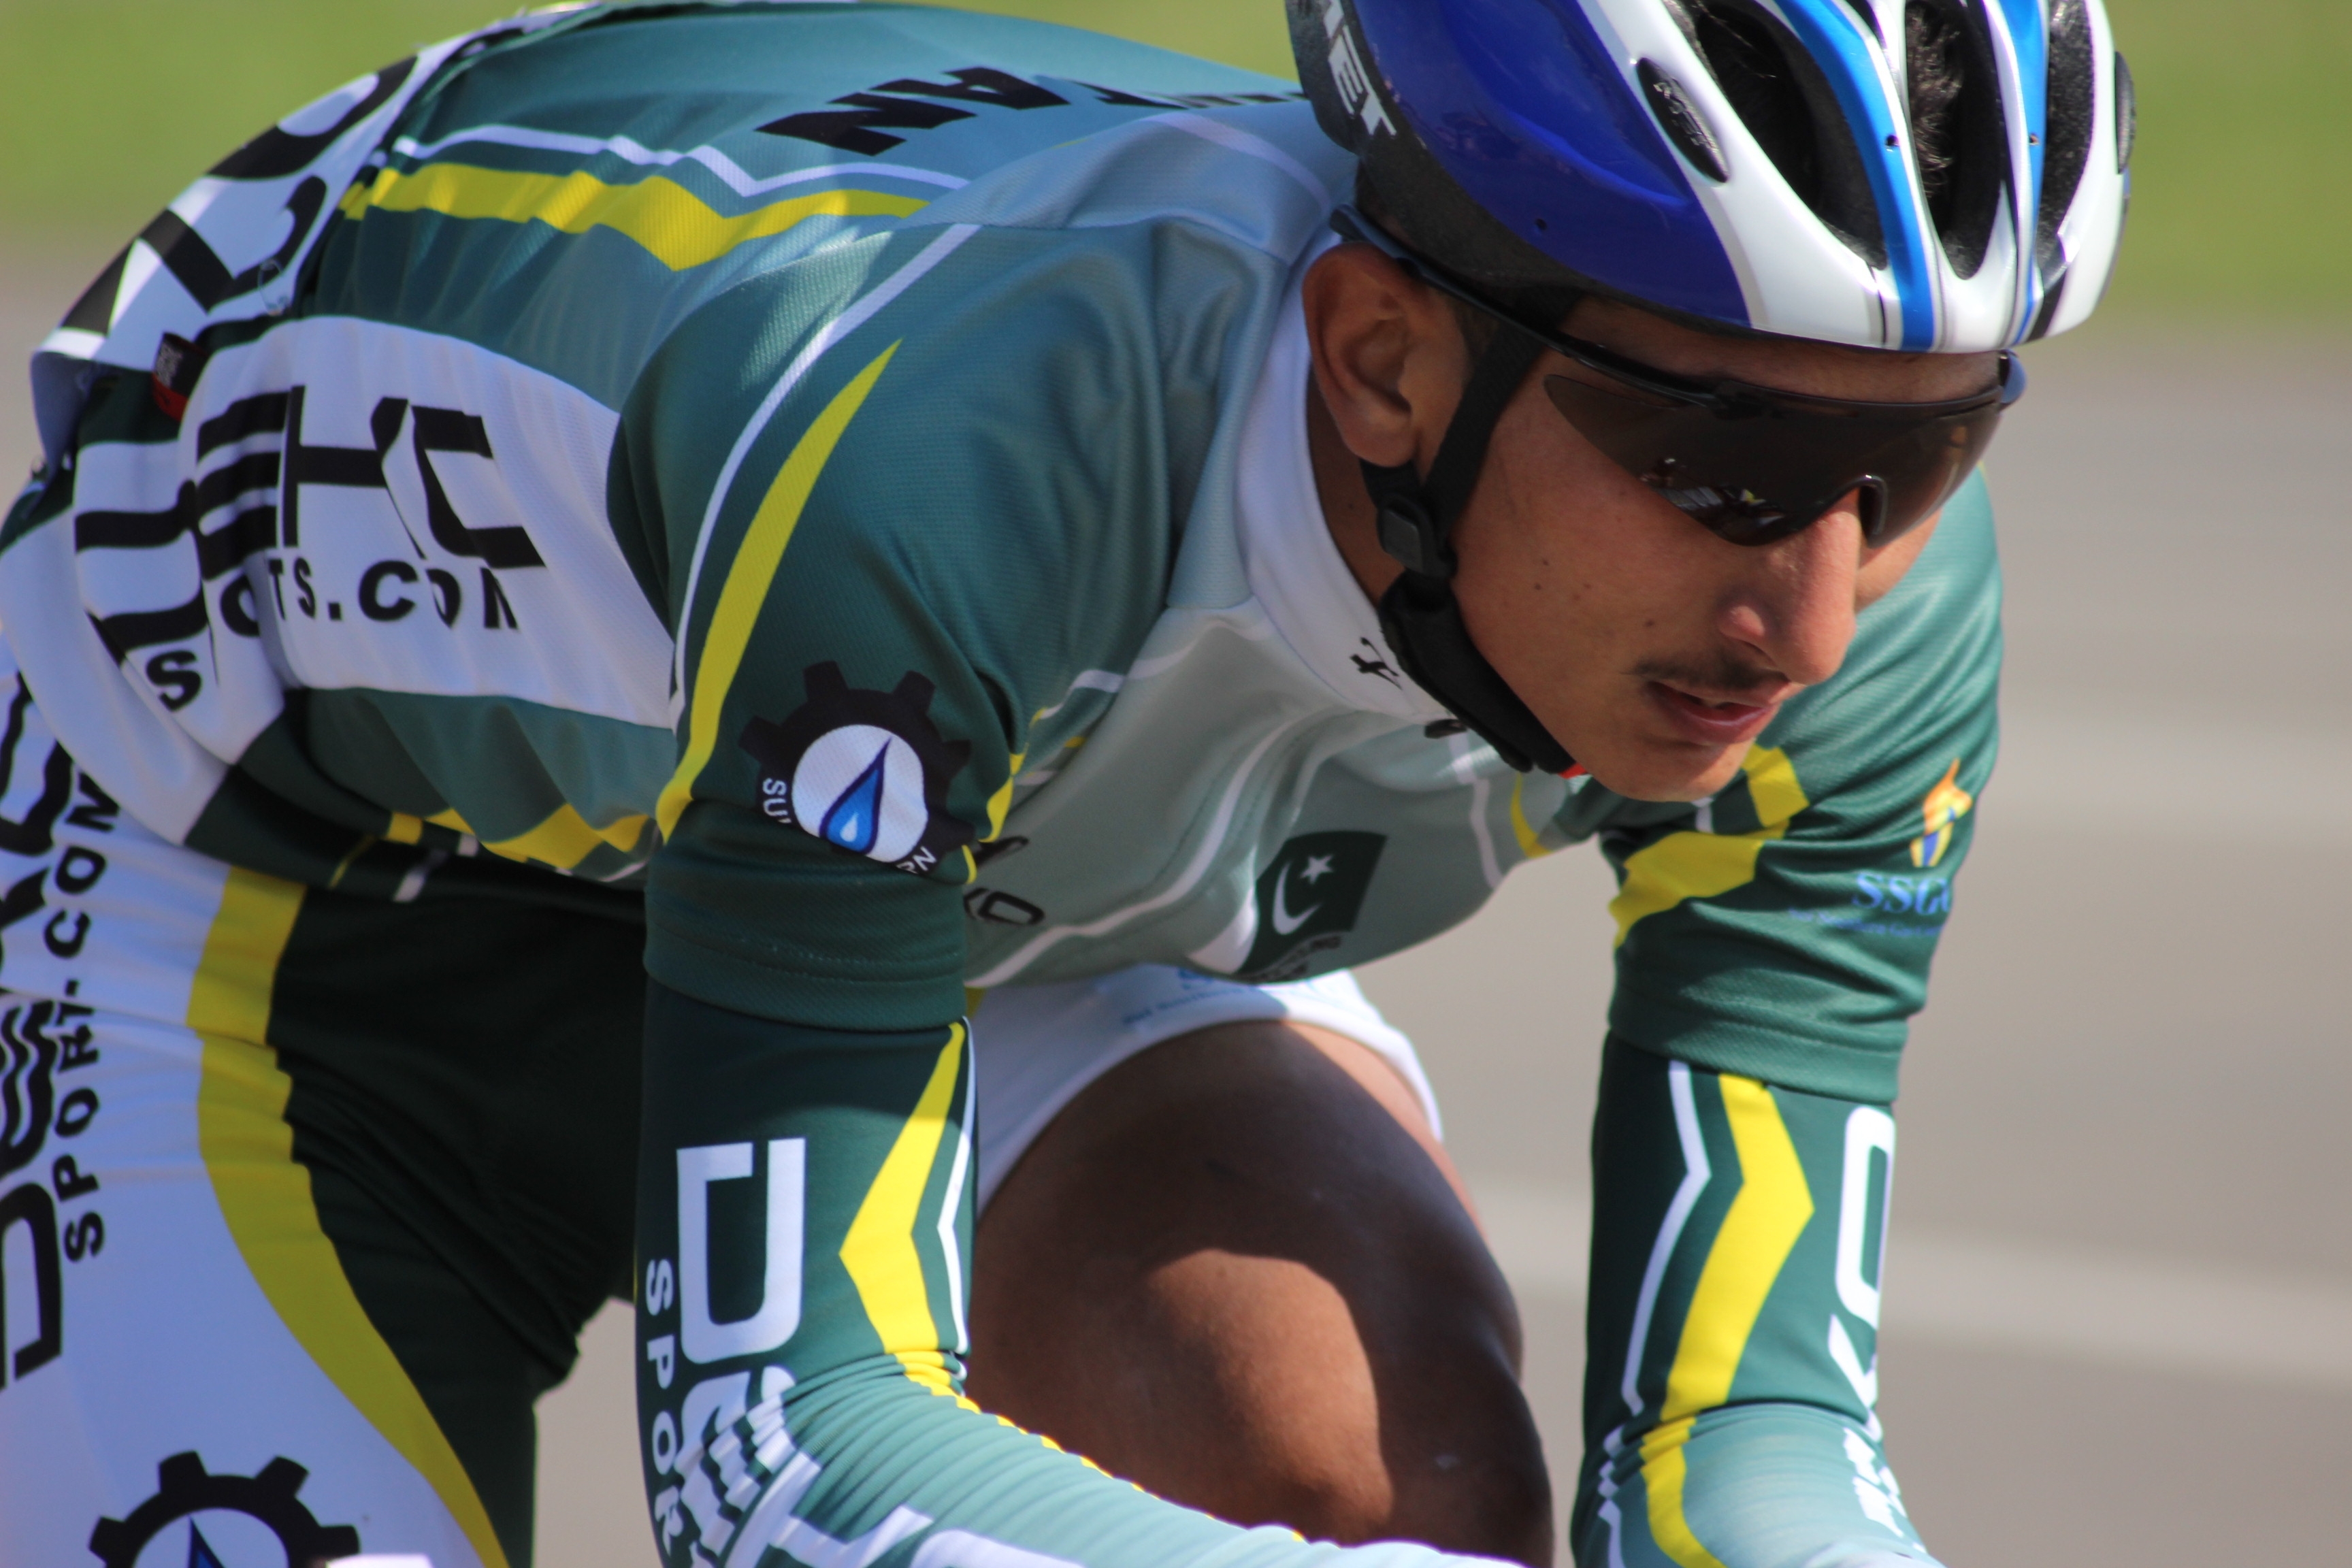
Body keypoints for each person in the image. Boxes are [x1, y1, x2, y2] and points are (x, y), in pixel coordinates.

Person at [0, 1, 2130, 1566]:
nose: (1814, 616)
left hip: (945, 871)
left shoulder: (1869, 610)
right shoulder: (974, 470)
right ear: (1384, 360)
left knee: (1374, 1487)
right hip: (259, 889)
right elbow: (780, 1460)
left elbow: (1738, 1451)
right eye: (1716, 461)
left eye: (1922, 455)